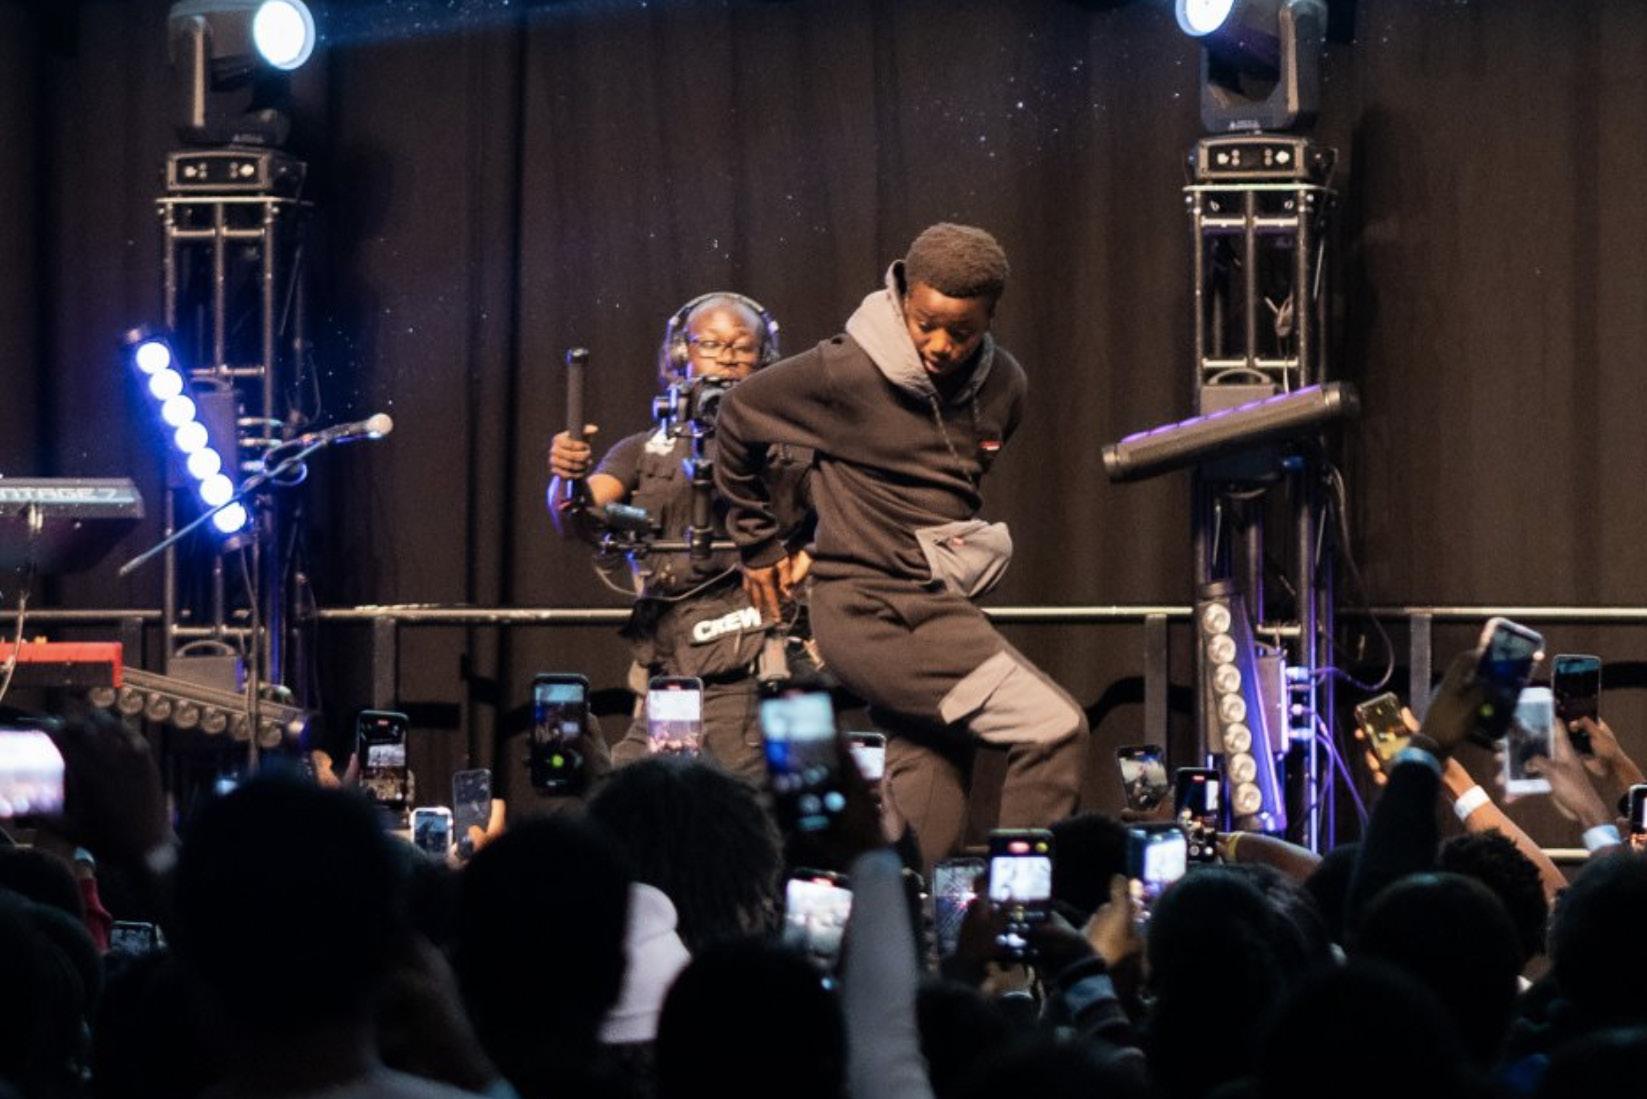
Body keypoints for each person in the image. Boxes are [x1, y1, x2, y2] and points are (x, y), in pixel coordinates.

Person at [714, 223, 1088, 865]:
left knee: (933, 771)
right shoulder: (845, 371)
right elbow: (737, 415)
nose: (940, 345)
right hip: (870, 613)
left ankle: (906, 914)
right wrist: (759, 545)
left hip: (936, 606)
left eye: (961, 331)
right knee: (1055, 728)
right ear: (902, 298)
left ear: (990, 317)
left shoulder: (1006, 386)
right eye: (925, 325)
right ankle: (1013, 912)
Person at [547, 292, 813, 780]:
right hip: (671, 679)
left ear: (764, 360)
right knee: (635, 805)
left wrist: (811, 552)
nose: (726, 359)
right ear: (679, 355)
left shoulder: (789, 449)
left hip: (759, 675)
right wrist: (568, 480)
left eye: (742, 347)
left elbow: (847, 513)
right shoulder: (642, 450)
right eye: (710, 344)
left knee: (748, 811)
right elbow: (579, 515)